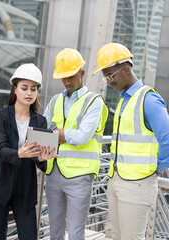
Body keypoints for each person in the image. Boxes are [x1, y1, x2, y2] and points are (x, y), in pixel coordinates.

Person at [92, 42, 169, 240]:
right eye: (106, 77)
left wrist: (156, 168)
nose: (108, 81)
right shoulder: (125, 99)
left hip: (137, 185)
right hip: (117, 180)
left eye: (110, 76)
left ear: (126, 69)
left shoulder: (149, 100)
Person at [43, 48, 108, 240]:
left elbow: (82, 138)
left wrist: (57, 133)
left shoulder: (94, 102)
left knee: (75, 233)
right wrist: (60, 135)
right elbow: (42, 131)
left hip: (80, 176)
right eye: (63, 78)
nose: (67, 82)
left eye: (71, 76)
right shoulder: (55, 101)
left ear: (82, 72)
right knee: (54, 231)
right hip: (53, 172)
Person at [0, 63, 56, 240]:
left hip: (25, 189)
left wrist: (42, 159)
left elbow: (40, 162)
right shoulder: (1, 116)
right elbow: (0, 150)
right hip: (1, 184)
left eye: (33, 89)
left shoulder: (40, 121)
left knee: (29, 236)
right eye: (24, 88)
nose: (29, 93)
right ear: (15, 89)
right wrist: (19, 153)